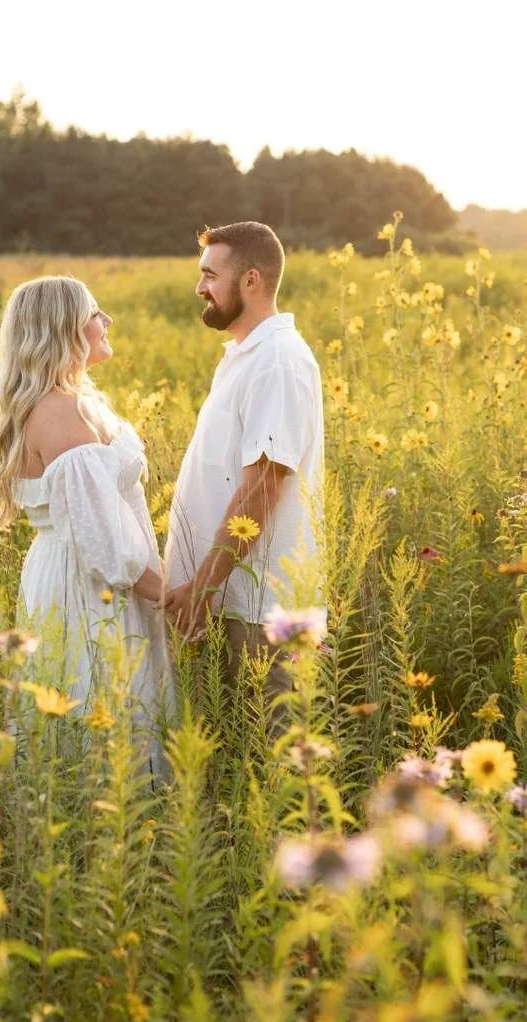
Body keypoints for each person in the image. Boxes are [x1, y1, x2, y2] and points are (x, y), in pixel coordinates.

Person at [0, 275, 172, 763]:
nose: (106, 321)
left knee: (81, 700)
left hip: (77, 573)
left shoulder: (69, 403)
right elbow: (108, 549)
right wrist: (182, 600)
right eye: (95, 313)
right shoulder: (60, 414)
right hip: (93, 588)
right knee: (103, 703)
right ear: (64, 328)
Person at [161, 222, 324, 735]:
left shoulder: (277, 360)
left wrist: (205, 586)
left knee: (275, 773)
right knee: (234, 767)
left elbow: (264, 487)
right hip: (232, 599)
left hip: (261, 610)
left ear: (250, 280)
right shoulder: (245, 355)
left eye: (210, 275)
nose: (200, 288)